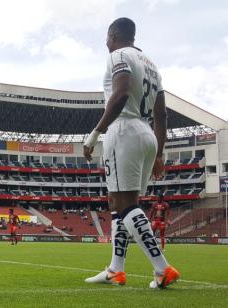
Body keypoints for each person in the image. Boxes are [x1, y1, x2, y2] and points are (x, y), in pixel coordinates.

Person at [83, 18, 179, 289]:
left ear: (113, 35)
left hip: (124, 129)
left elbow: (122, 93)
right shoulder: (151, 65)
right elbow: (161, 114)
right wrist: (159, 152)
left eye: (106, 37)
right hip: (146, 133)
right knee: (117, 202)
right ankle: (116, 269)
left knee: (126, 205)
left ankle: (162, 268)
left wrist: (95, 133)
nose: (105, 43)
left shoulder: (118, 55)